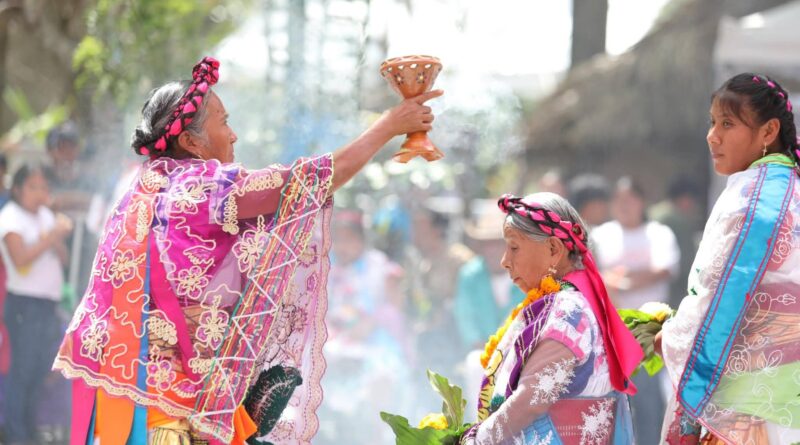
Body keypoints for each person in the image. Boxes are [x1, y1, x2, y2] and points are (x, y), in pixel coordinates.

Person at [52, 56, 441, 444]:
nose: (234, 134)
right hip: (174, 410)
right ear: (190, 141)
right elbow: (309, 182)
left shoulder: (145, 188)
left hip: (132, 393)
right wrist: (388, 126)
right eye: (224, 122)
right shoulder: (201, 187)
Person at [656, 73, 800, 444]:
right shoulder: (789, 188)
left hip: (755, 399)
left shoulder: (758, 199)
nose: (712, 135)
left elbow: (719, 298)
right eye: (712, 122)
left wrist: (669, 336)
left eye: (728, 123)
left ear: (768, 132)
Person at [459, 192, 643, 444]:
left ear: (554, 249)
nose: (505, 261)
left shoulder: (569, 310)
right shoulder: (564, 302)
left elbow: (532, 399)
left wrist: (475, 440)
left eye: (514, 247)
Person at [591, 176, 679, 444]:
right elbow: (595, 275)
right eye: (619, 200)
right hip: (611, 328)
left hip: (650, 328)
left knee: (649, 398)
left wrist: (624, 280)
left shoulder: (659, 233)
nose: (624, 205)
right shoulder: (600, 235)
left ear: (642, 202)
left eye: (630, 199)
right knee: (613, 398)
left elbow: (663, 270)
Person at [0, 163, 72, 445]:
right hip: (24, 305)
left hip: (47, 304)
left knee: (42, 368)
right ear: (17, 190)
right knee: (22, 369)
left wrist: (55, 235)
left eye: (44, 187)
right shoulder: (10, 218)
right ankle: (16, 434)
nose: (40, 193)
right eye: (32, 187)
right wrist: (51, 236)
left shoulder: (45, 216)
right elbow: (20, 259)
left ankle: (28, 430)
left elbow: (64, 260)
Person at [649, 175, 704, 310]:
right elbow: (687, 261)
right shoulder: (676, 220)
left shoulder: (654, 212)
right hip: (673, 287)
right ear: (685, 198)